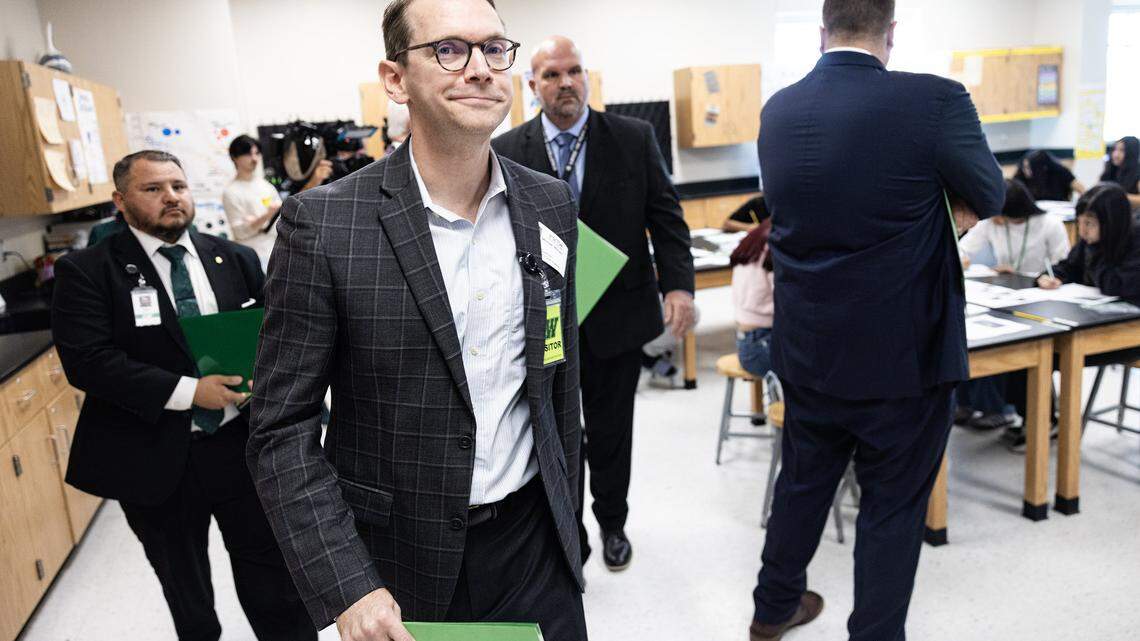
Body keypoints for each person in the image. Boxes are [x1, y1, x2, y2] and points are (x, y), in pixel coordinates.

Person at [246, 1, 587, 640]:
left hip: (534, 543)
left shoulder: (550, 204)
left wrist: (572, 523)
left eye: (494, 48)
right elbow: (279, 428)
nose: (481, 68)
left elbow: (556, 378)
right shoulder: (324, 225)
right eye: (450, 50)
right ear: (396, 79)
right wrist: (348, 586)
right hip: (397, 563)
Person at [749, 1, 1005, 640]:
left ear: (821, 34)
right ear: (891, 33)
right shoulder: (935, 101)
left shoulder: (778, 111)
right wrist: (942, 209)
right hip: (904, 357)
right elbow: (992, 192)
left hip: (807, 348)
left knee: (802, 484)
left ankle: (772, 607)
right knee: (891, 510)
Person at [51, 150, 315, 641]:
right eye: (153, 189)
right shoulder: (88, 270)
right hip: (152, 455)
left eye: (178, 185)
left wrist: (267, 376)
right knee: (186, 589)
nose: (171, 197)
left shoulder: (233, 258)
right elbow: (88, 361)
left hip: (239, 448)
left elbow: (271, 336)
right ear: (121, 202)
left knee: (274, 580)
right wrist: (191, 392)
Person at [493, 35, 695, 573]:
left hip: (617, 316)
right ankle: (569, 533)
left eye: (575, 71)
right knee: (556, 438)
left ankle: (613, 523)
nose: (566, 83)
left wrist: (679, 286)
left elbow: (667, 220)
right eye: (552, 74)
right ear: (532, 85)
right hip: (546, 322)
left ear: (587, 77)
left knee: (611, 431)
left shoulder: (631, 137)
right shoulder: (508, 151)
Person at [957, 179, 1071, 430]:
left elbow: (1065, 265)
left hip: (1039, 299)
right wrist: (972, 263)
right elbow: (963, 249)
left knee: (1008, 346)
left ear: (1015, 210)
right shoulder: (992, 222)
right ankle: (966, 403)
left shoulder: (1049, 225)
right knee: (971, 337)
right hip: (1001, 293)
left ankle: (998, 407)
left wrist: (1042, 276)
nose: (993, 219)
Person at [1038, 182, 1140, 300]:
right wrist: (1051, 276)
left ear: (1111, 222)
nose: (1082, 232)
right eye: (1079, 222)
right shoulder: (1092, 239)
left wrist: (1095, 251)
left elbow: (1115, 285)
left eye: (1089, 223)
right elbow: (1071, 267)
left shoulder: (1135, 241)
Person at [959, 178, 1071, 275]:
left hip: (1039, 286)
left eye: (997, 212)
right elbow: (963, 248)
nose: (991, 216)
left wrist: (1045, 277)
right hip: (1003, 285)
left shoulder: (1050, 224)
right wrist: (961, 259)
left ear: (1013, 212)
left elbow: (1062, 264)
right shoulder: (989, 222)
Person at [222, 134, 282, 267]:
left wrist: (255, 222)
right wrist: (266, 216)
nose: (254, 159)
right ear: (234, 158)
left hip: (276, 250)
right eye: (248, 154)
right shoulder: (231, 192)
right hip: (252, 256)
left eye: (257, 153)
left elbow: (280, 216)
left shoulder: (266, 186)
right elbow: (240, 232)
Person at [731, 220, 776, 378]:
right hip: (763, 345)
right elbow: (790, 303)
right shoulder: (777, 244)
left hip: (747, 342)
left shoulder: (758, 234)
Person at [1014, 149, 1085, 202]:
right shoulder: (1021, 175)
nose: (1026, 171)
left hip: (1059, 209)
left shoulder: (1059, 171)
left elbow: (1081, 190)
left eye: (1029, 168)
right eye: (1024, 167)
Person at [1099, 136, 1140, 209]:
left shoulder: (1137, 172)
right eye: (1115, 149)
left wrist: (1116, 195)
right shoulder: (1111, 169)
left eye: (1122, 150)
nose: (1116, 154)